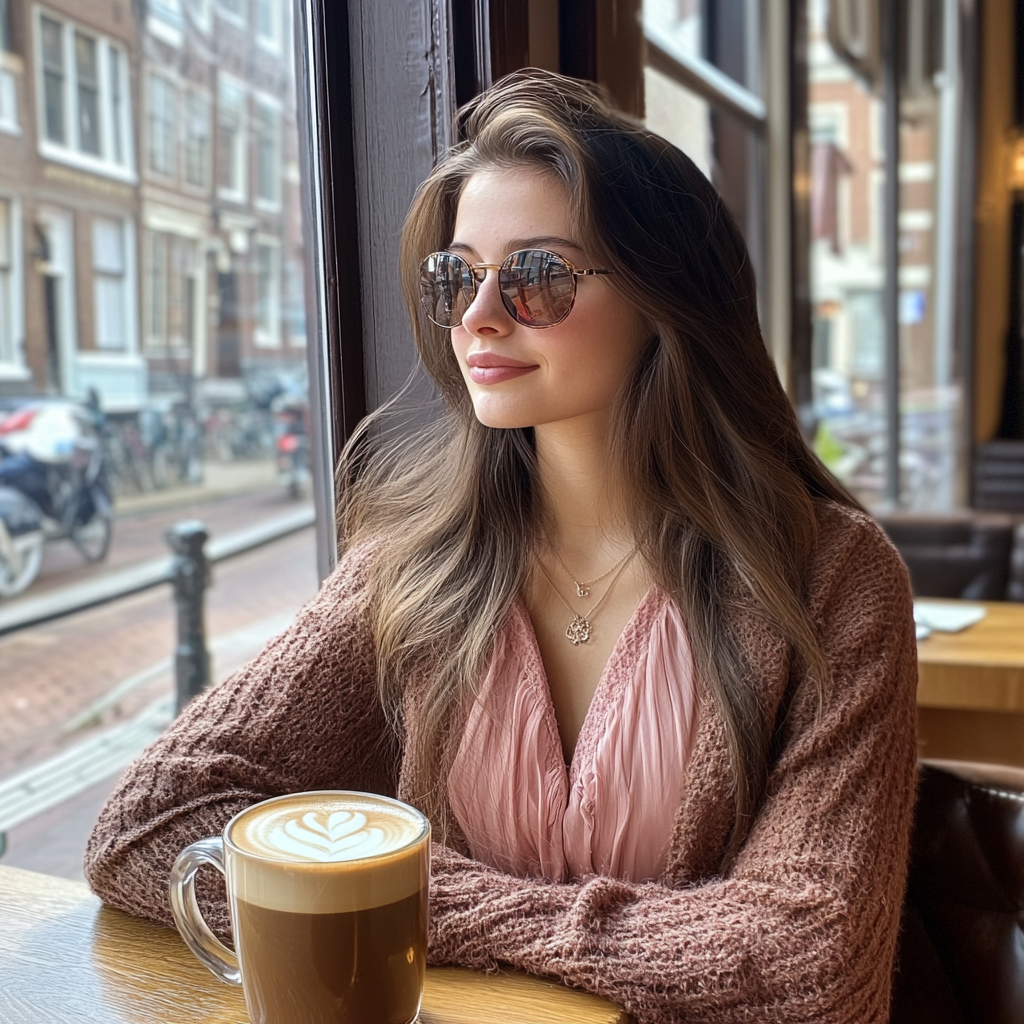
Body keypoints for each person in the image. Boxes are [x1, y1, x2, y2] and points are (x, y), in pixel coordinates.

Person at [84, 70, 917, 1024]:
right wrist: (604, 933)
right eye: (457, 276)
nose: (479, 316)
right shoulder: (415, 560)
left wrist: (397, 898)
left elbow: (811, 970)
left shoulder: (831, 579)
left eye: (538, 277)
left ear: (666, 301)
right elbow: (149, 825)